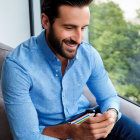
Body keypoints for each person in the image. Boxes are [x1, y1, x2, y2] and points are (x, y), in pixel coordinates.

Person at [1, 0, 140, 139]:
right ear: (45, 21)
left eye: (83, 28)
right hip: (51, 133)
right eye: (69, 28)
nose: (79, 39)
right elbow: (27, 137)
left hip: (86, 119)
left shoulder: (88, 54)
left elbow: (109, 97)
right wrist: (71, 131)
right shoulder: (17, 65)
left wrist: (111, 115)